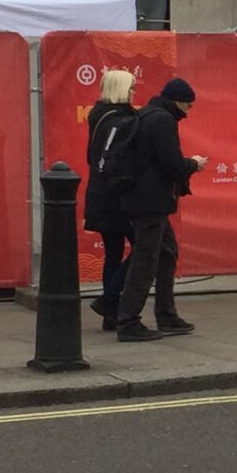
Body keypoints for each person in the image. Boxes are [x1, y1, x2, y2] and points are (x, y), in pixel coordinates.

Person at [116, 76, 208, 342]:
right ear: (179, 101)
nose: (188, 113)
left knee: (167, 252)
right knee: (146, 260)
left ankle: (166, 315)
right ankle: (128, 321)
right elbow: (171, 164)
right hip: (151, 201)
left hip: (144, 199)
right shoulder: (162, 120)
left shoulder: (147, 114)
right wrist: (194, 163)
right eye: (188, 107)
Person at [83, 67, 138, 328]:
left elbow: (92, 158)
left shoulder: (100, 118)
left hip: (100, 195)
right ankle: (108, 300)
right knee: (146, 248)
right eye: (131, 87)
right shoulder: (121, 121)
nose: (134, 92)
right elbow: (117, 163)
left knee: (113, 253)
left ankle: (111, 313)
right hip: (117, 198)